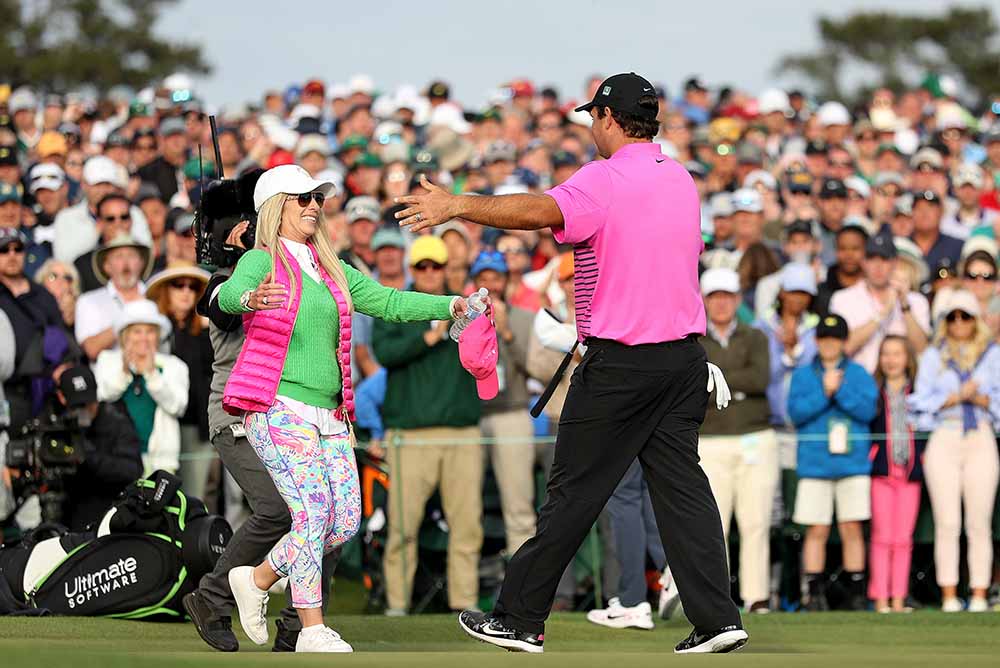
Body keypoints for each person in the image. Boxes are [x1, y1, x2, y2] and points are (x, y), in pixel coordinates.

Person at [396, 72, 746, 654]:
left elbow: (538, 211)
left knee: (573, 493)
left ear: (608, 118)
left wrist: (457, 205)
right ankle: (717, 619)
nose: (589, 128)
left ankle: (519, 619)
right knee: (684, 492)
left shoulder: (604, 178)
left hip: (621, 365)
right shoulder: (681, 180)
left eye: (593, 118)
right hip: (683, 360)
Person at [215, 166, 467, 653]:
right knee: (311, 514)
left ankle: (259, 577)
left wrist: (449, 305)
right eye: (302, 198)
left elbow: (388, 302)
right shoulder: (260, 259)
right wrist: (249, 297)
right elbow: (227, 295)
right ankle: (311, 628)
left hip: (330, 413)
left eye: (317, 198)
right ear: (276, 207)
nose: (314, 206)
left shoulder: (331, 266)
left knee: (344, 521)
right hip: (276, 404)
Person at [184, 221, 338, 654]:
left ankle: (298, 621)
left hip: (289, 414)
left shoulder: (301, 270)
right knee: (276, 509)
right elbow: (217, 304)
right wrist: (247, 275)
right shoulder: (231, 278)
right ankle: (212, 597)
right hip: (237, 414)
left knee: (326, 515)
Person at [372, 235, 483, 618]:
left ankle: (465, 604)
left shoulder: (467, 308)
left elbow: (485, 353)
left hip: (462, 432)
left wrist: (482, 320)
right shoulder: (395, 306)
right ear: (412, 270)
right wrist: (430, 334)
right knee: (402, 527)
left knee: (467, 524)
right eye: (423, 266)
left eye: (436, 266)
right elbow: (385, 353)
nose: (430, 273)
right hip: (410, 434)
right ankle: (397, 606)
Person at [909, 289, 1000, 613]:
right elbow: (918, 401)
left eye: (965, 316)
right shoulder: (934, 356)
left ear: (976, 321)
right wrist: (953, 397)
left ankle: (978, 593)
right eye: (953, 317)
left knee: (979, 521)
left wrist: (980, 398)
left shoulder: (991, 354)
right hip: (945, 434)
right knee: (948, 521)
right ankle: (949, 594)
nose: (959, 323)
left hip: (980, 434)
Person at [697, 268, 777, 613]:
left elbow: (760, 378)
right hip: (710, 439)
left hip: (755, 437)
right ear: (705, 300)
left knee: (755, 521)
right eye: (715, 297)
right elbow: (693, 384)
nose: (721, 304)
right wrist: (732, 384)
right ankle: (719, 600)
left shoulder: (755, 336)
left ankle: (756, 597)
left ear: (737, 300)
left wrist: (716, 378)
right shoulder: (694, 339)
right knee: (716, 525)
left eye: (727, 296)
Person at [788, 314, 877, 612]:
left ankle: (856, 593)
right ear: (816, 341)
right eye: (824, 338)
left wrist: (840, 390)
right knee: (817, 530)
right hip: (815, 465)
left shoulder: (859, 373)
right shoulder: (802, 376)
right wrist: (823, 391)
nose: (829, 344)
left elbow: (868, 410)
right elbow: (796, 413)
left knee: (852, 527)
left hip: (852, 463)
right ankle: (813, 594)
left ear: (843, 341)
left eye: (835, 338)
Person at [470, 249, 537, 556]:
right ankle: (469, 589)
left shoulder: (524, 318)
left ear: (505, 281)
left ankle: (523, 587)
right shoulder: (463, 317)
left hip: (512, 412)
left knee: (519, 505)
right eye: (483, 278)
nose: (490, 285)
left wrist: (507, 332)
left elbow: (534, 367)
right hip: (471, 416)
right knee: (467, 506)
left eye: (495, 278)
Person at [93, 299, 189, 475]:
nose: (144, 338)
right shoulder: (107, 360)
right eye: (137, 331)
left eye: (150, 331)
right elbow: (101, 396)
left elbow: (177, 406)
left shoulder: (174, 366)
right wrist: (123, 373)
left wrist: (152, 374)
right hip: (115, 458)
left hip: (159, 462)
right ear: (125, 336)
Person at [146, 264, 214, 500]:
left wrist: (210, 328)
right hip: (163, 422)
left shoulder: (207, 332)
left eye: (193, 287)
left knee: (196, 494)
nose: (186, 292)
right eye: (178, 285)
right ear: (167, 291)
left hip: (198, 423)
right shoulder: (156, 331)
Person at [868, 336, 924, 614]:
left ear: (907, 358)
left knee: (903, 539)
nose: (891, 360)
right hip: (882, 473)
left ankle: (899, 599)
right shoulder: (874, 392)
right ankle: (880, 599)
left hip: (909, 474)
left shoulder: (918, 392)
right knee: (881, 537)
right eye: (885, 354)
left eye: (897, 354)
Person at [55, 365, 143, 531]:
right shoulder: (56, 425)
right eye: (77, 406)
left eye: (88, 403)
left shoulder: (117, 422)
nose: (84, 411)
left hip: (108, 515)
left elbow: (132, 471)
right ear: (62, 398)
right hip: (67, 515)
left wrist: (89, 457)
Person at [830, 229, 930, 374]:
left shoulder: (916, 301)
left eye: (884, 259)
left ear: (895, 263)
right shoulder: (842, 299)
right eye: (872, 259)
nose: (878, 266)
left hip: (902, 386)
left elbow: (922, 349)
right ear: (863, 262)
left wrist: (904, 305)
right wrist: (882, 314)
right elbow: (844, 347)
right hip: (859, 384)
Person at [52, 155, 151, 264]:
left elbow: (146, 252)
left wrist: (122, 234)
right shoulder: (66, 217)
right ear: (84, 185)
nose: (103, 191)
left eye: (108, 185)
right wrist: (96, 232)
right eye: (98, 185)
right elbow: (63, 259)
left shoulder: (132, 213)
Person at [74, 233, 153, 361]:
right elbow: (91, 349)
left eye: (131, 255)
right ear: (107, 266)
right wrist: (131, 315)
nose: (126, 263)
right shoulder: (88, 301)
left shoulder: (156, 296)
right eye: (118, 256)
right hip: (108, 379)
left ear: (141, 263)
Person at [33, 258, 80, 332]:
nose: (60, 281)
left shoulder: (82, 311)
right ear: (42, 282)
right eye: (53, 276)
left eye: (67, 278)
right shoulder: (32, 310)